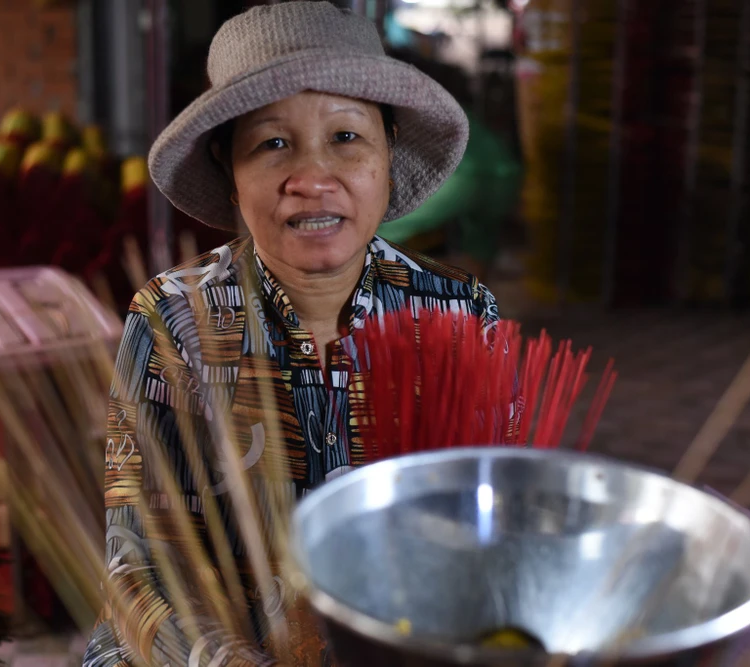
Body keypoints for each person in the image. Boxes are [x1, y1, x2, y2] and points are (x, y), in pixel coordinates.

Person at [85, 3, 501, 665]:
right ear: (230, 173)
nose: (311, 179)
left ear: (387, 157)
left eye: (346, 137)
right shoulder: (176, 318)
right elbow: (140, 558)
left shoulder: (456, 314)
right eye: (272, 143)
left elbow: (489, 531)